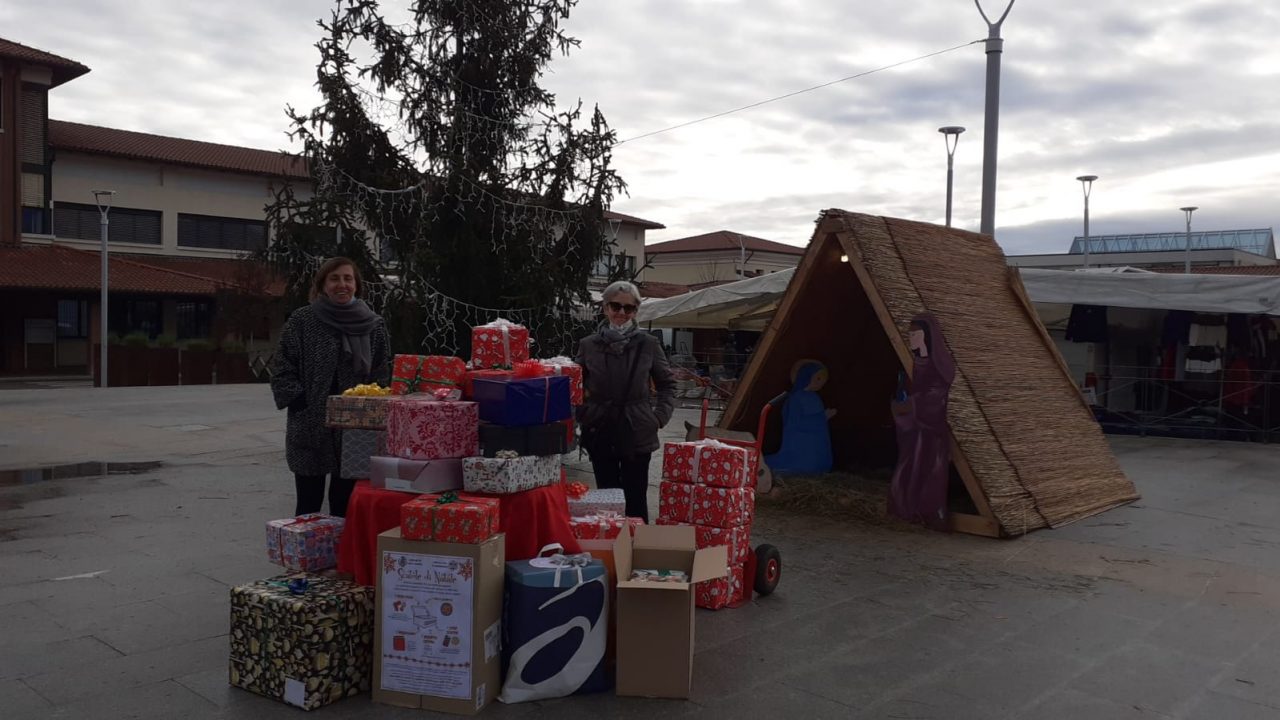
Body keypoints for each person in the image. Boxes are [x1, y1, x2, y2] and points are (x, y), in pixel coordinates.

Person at [270, 257, 391, 517]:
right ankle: (306, 544)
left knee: (345, 504)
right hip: (310, 421)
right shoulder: (303, 320)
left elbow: (382, 371)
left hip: (355, 426)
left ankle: (343, 546)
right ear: (322, 284)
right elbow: (282, 366)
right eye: (334, 278)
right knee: (308, 504)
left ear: (356, 285)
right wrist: (299, 401)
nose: (342, 284)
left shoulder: (374, 325)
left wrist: (372, 405)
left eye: (348, 278)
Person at [577, 281, 676, 522]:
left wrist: (658, 418)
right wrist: (582, 414)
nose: (621, 312)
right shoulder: (589, 345)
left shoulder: (648, 344)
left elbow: (667, 383)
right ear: (605, 308)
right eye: (616, 306)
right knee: (607, 498)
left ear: (635, 311)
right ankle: (611, 542)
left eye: (628, 308)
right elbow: (575, 385)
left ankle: (637, 544)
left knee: (635, 499)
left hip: (637, 428)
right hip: (600, 427)